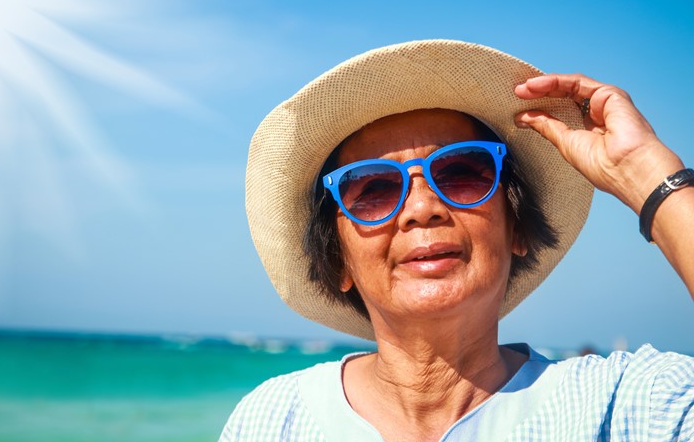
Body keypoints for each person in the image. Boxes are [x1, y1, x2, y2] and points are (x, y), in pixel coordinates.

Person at [221, 40, 694, 441]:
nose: (422, 207)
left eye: (461, 173)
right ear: (338, 258)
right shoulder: (274, 420)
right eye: (373, 189)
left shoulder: (627, 406)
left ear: (518, 228)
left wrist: (646, 175)